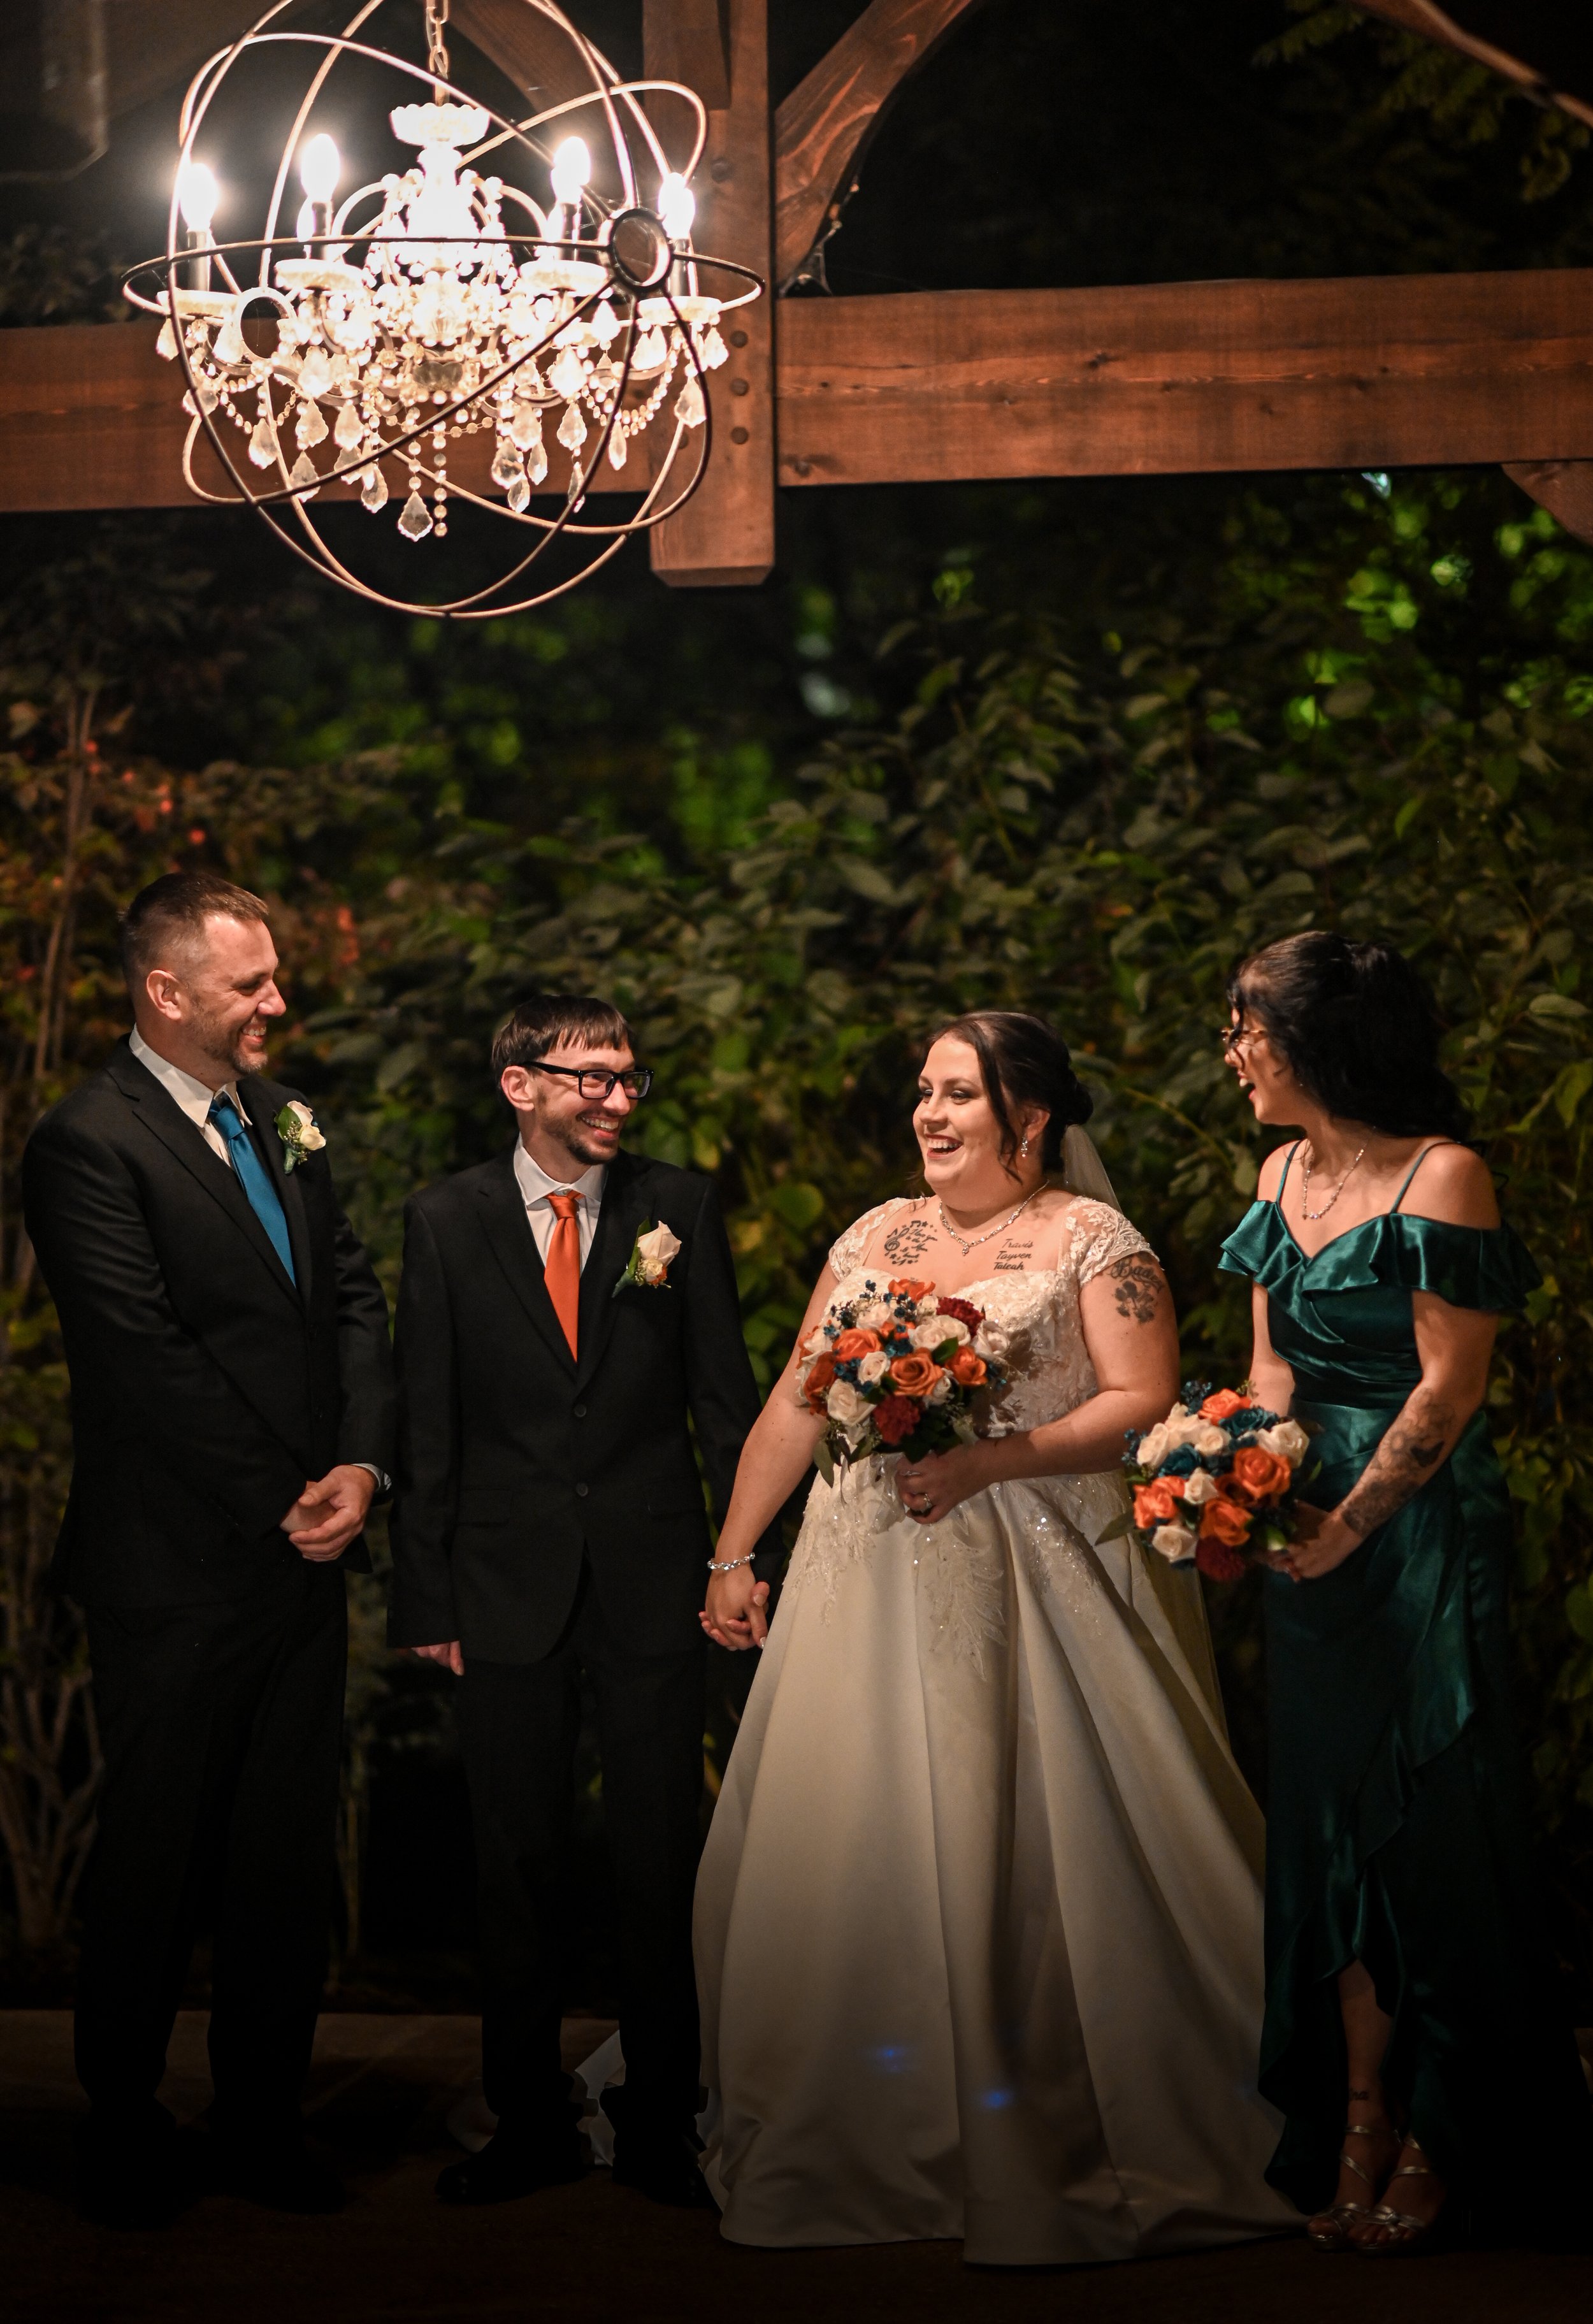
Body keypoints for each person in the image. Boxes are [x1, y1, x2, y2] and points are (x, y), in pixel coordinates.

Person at [693, 1010, 1294, 2264]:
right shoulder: (872, 1236)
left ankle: (1045, 2102)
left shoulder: (1094, 1239)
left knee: (1014, 1820)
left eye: (959, 1093)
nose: (929, 1113)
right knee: (861, 1819)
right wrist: (732, 1552)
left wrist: (985, 1461)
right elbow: (795, 1403)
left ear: (1028, 1116)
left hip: (1024, 1568)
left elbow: (1136, 1400)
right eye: (923, 1090)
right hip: (860, 1584)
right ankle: (865, 2107)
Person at [22, 872, 394, 2229]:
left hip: (305, 1555)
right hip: (174, 1570)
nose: (277, 1004)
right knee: (158, 1858)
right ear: (164, 993)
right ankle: (121, 2129)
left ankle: (259, 2122)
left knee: (280, 1860)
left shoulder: (286, 1124)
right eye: (251, 985)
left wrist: (359, 1465)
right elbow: (140, 1359)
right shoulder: (87, 1143)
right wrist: (282, 1496)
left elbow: (349, 1297)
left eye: (275, 977)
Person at [1218, 931, 1593, 2253]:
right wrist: (1245, 1482)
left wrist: (1348, 1527)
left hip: (1420, 1536)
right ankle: (1356, 2116)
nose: (1231, 1049)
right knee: (1325, 1832)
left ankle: (1448, 2125)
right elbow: (1269, 1371)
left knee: (1433, 1822)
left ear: (1318, 1039)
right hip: (1303, 1539)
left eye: (1246, 1023)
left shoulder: (1445, 1175)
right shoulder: (1276, 1170)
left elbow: (1448, 1385)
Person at [389, 994, 780, 2210]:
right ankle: (525, 2123)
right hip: (502, 1582)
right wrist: (426, 1590)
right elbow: (428, 1412)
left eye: (628, 1079)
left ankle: (662, 2118)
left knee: (662, 1853)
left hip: (657, 1578)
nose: (617, 1098)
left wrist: (746, 1559)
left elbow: (728, 1398)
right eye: (591, 1078)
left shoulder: (683, 1206)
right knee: (515, 1860)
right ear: (520, 1085)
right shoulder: (445, 1218)